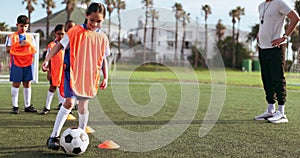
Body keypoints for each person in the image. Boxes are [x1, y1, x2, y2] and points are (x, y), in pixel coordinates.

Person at [42, 3, 110, 150]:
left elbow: (103, 58)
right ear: (86, 16)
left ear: (103, 20)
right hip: (72, 74)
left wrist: (106, 77)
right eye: (92, 20)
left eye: (98, 21)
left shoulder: (103, 37)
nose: (94, 23)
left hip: (90, 77)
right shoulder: (75, 31)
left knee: (83, 107)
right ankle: (53, 136)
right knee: (68, 103)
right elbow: (59, 45)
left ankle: (81, 136)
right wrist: (47, 60)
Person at [254, 0, 300, 123]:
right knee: (266, 78)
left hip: (276, 48)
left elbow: (295, 18)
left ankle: (282, 112)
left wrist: (284, 37)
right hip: (263, 47)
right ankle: (270, 110)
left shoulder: (279, 3)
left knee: (277, 78)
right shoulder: (261, 6)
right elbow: (264, 23)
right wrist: (259, 34)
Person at [5, 15, 37, 114]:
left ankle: (27, 106)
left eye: (26, 26)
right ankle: (15, 106)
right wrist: (19, 45)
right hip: (16, 63)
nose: (23, 28)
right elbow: (7, 50)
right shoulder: (12, 37)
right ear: (17, 25)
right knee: (16, 83)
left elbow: (34, 49)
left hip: (28, 62)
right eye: (21, 26)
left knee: (27, 83)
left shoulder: (30, 37)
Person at [41, 24, 66, 115]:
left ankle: (64, 106)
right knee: (52, 87)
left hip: (65, 71)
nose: (61, 36)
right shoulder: (51, 46)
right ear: (55, 33)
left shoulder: (68, 45)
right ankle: (47, 107)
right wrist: (48, 71)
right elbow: (48, 59)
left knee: (64, 88)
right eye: (59, 34)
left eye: (63, 34)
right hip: (55, 70)